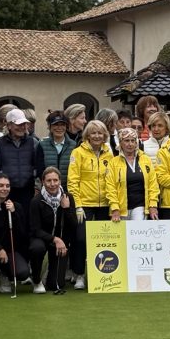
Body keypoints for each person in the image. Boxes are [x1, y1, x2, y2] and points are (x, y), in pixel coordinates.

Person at [67, 120, 114, 289]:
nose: (97, 136)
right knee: (80, 239)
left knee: (103, 241)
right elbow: (73, 181)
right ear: (87, 135)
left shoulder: (110, 153)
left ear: (105, 135)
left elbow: (113, 179)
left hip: (105, 204)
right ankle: (79, 274)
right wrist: (77, 205)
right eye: (93, 133)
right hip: (84, 204)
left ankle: (100, 274)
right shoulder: (77, 153)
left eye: (100, 133)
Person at [29, 167, 77, 294]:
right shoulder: (37, 201)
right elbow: (35, 230)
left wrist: (66, 209)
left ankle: (50, 271)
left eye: (55, 180)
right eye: (49, 180)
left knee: (56, 285)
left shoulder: (68, 197)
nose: (52, 184)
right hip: (42, 239)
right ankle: (36, 279)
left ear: (60, 181)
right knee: (36, 248)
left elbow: (73, 225)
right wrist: (54, 239)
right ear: (43, 182)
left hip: (61, 241)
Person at [106, 128, 159, 221]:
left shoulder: (146, 160)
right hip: (120, 208)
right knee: (123, 235)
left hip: (140, 206)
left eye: (133, 141)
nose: (130, 144)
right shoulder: (113, 162)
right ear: (121, 143)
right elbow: (110, 187)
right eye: (126, 141)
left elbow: (153, 185)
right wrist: (114, 208)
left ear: (136, 143)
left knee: (137, 232)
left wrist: (153, 205)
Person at [0, 109, 38, 207]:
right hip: (5, 192)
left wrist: (32, 176)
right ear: (9, 125)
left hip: (28, 191)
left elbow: (38, 166)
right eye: (19, 124)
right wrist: (4, 176)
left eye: (24, 124)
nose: (23, 127)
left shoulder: (34, 142)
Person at [35, 111, 76, 191]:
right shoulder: (42, 145)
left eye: (62, 125)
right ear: (50, 126)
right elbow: (39, 169)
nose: (59, 128)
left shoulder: (73, 145)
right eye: (56, 124)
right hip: (47, 190)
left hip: (68, 190)